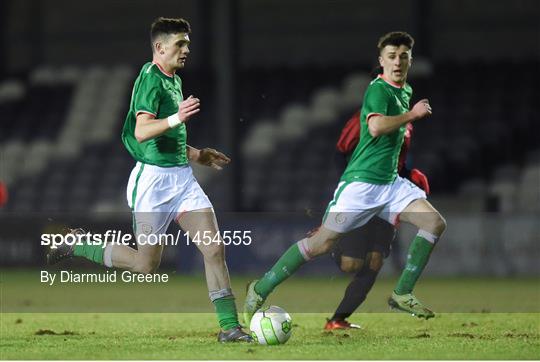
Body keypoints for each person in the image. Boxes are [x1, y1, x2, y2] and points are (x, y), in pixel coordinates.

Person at [47, 17, 252, 343]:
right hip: (153, 184)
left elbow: (167, 140)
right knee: (146, 265)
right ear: (160, 47)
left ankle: (230, 327)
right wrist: (177, 117)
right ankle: (78, 243)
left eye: (187, 42)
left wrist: (198, 155)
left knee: (214, 249)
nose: (186, 49)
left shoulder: (173, 80)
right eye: (180, 44)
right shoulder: (150, 79)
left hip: (182, 181)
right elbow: (143, 132)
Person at [244, 31, 446, 324]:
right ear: (381, 60)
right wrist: (412, 115)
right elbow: (375, 127)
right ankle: (259, 289)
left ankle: (402, 293)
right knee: (321, 244)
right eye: (391, 56)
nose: (398, 62)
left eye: (404, 56)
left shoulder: (404, 91)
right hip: (361, 185)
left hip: (390, 184)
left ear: (410, 59)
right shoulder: (378, 89)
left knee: (434, 222)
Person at [324, 110, 430, 330]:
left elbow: (395, 162)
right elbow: (339, 153)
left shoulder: (407, 122)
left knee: (374, 261)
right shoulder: (362, 120)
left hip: (388, 196)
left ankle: (337, 319)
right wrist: (351, 190)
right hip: (362, 195)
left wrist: (409, 176)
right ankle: (332, 243)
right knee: (350, 264)